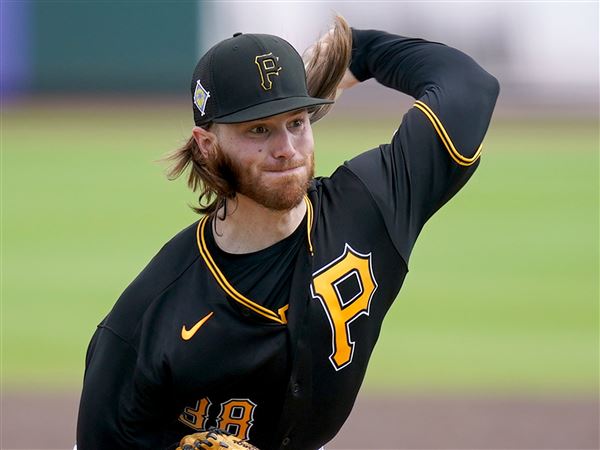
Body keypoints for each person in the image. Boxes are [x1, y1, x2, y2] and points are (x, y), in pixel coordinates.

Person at [76, 16, 499, 450]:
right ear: (206, 144)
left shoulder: (372, 207)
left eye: (296, 122)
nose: (287, 149)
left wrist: (359, 51)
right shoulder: (147, 317)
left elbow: (469, 86)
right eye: (258, 129)